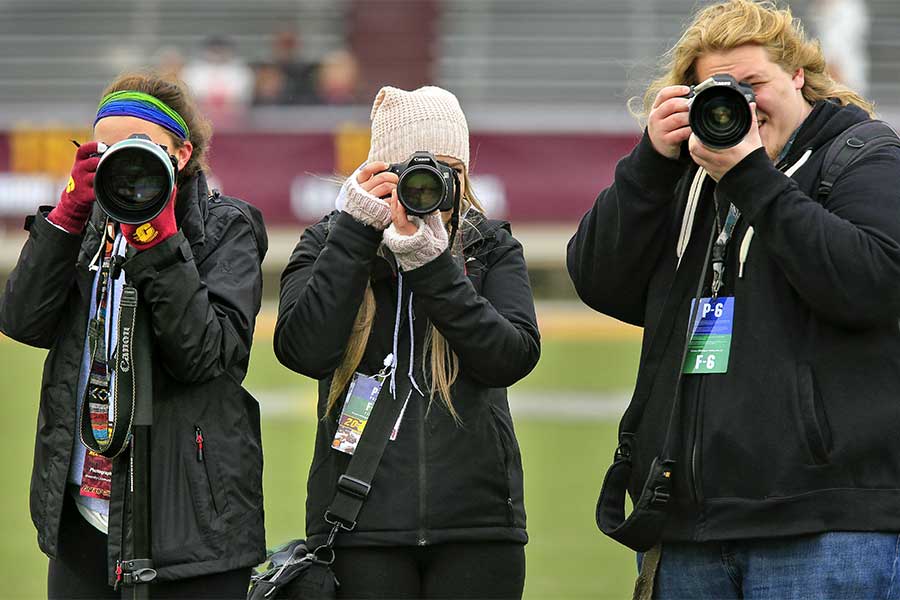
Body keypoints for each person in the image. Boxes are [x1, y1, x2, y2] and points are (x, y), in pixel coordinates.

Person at [567, 0, 900, 597]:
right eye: (716, 91)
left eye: (754, 85)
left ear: (797, 73)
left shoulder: (863, 156)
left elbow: (871, 287)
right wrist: (647, 165)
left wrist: (751, 176)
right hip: (692, 519)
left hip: (823, 525)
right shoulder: (690, 175)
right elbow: (598, 280)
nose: (740, 106)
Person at [0, 72, 268, 598]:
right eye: (106, 150)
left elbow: (205, 358)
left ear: (181, 153)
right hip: (84, 514)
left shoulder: (225, 228)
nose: (122, 161)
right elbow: (21, 320)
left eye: (139, 148)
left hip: (190, 527)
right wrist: (66, 215)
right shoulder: (86, 225)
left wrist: (157, 237)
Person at [274, 85, 540, 598]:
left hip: (478, 528)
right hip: (356, 526)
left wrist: (432, 266)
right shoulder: (330, 242)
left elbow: (511, 358)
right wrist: (355, 233)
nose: (430, 184)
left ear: (464, 175)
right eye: (413, 169)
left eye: (448, 170)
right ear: (379, 173)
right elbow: (303, 350)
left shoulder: (490, 247)